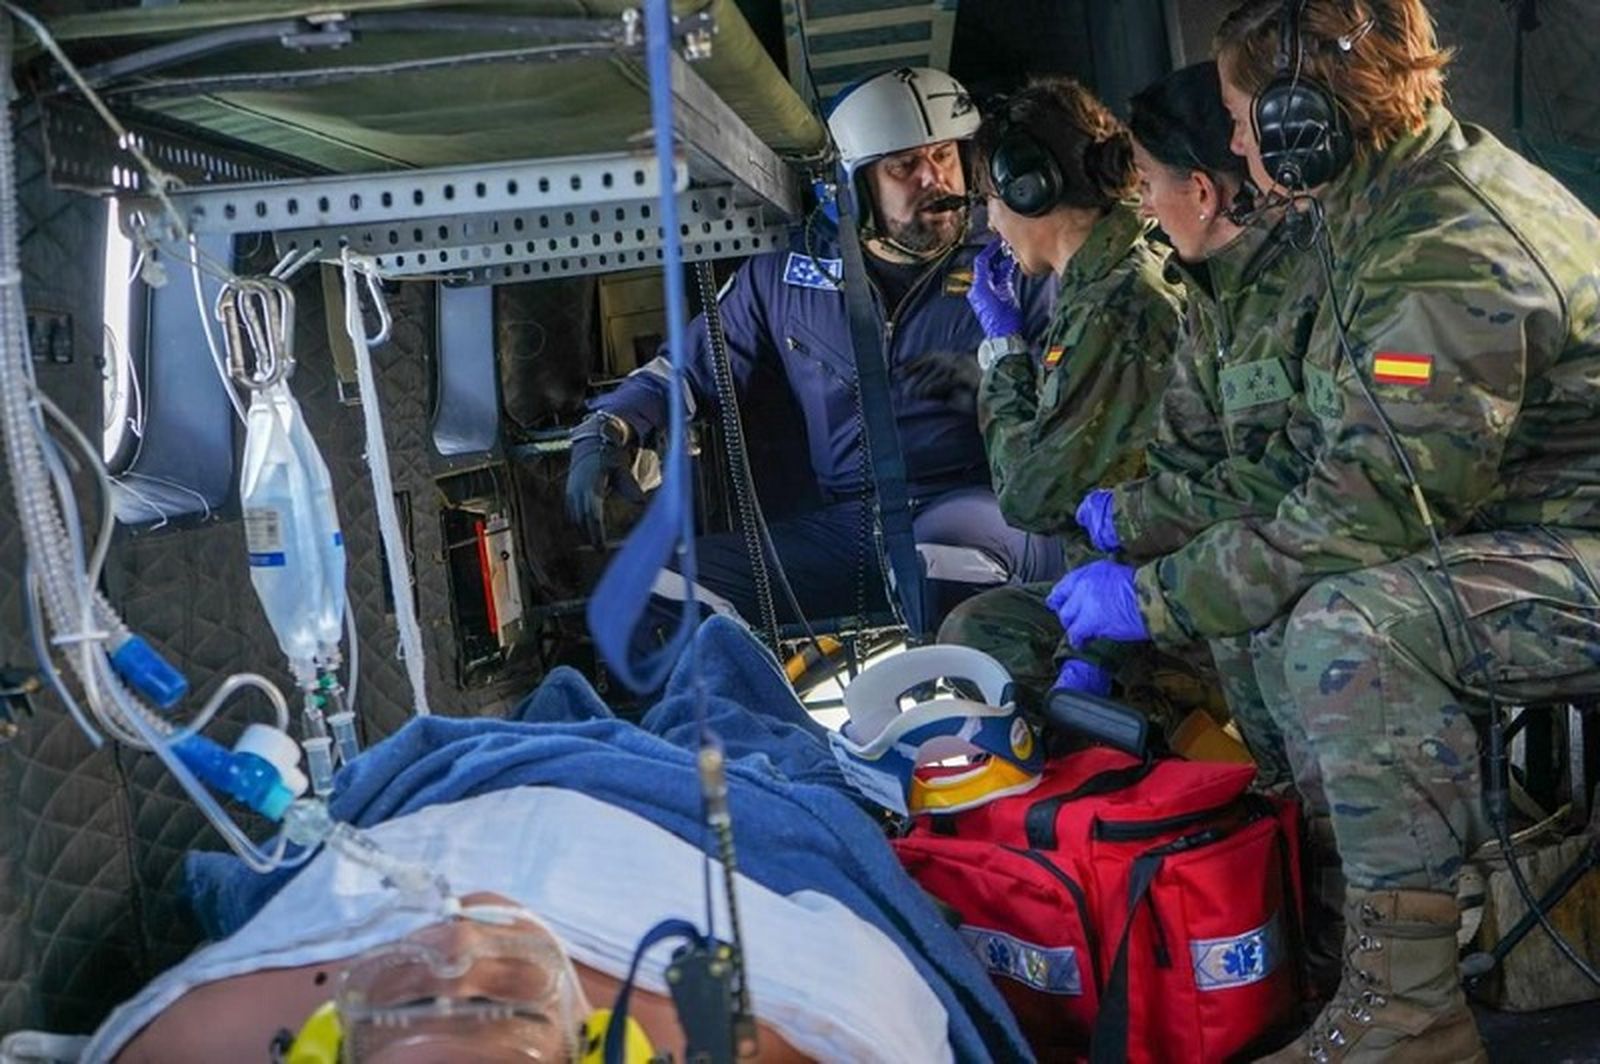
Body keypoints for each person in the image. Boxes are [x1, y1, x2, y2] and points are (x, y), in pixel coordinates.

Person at [1049, 2, 1600, 1059]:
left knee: (1353, 626)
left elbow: (1365, 509)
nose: (1243, 146)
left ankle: (1407, 1015)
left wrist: (1153, 596)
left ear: (1307, 115)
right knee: (1282, 596)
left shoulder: (1446, 244)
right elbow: (1312, 461)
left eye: (1246, 116)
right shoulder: (1376, 211)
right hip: (1516, 537)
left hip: (1574, 549)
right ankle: (1348, 930)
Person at [83, 618, 1032, 1062]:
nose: (461, 947)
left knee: (692, 694)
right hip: (749, 850)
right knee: (728, 691)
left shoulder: (198, 1036)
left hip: (489, 798)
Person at [565, 67, 1062, 647]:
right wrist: (609, 425)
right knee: (657, 587)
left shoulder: (1016, 257)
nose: (935, 179)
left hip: (991, 509)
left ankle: (973, 734)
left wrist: (995, 383)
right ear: (851, 186)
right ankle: (770, 738)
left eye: (944, 156)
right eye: (904, 166)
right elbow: (689, 367)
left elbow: (1081, 395)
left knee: (939, 562)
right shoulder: (785, 275)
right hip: (853, 528)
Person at [1071, 60, 1323, 792]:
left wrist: (1139, 539)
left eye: (1147, 184)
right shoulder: (1210, 298)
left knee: (1265, 621)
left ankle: (1306, 836)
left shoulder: (1307, 287)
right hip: (1241, 566)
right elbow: (1182, 468)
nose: (1144, 206)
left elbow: (1293, 484)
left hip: (1315, 563)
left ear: (1204, 193)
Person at [928, 74, 1189, 711]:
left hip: (1161, 593)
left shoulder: (1114, 308)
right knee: (980, 627)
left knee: (976, 641)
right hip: (1137, 571)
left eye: (991, 198)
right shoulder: (1106, 280)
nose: (989, 221)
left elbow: (1031, 494)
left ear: (1031, 189)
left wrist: (1004, 352)